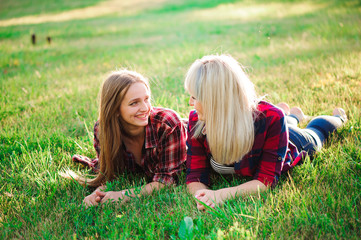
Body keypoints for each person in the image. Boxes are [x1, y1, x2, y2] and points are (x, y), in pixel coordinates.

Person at [184, 54, 347, 210]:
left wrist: (221, 195)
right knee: (286, 120)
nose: (190, 103)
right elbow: (195, 175)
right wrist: (202, 196)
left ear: (216, 100)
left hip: (291, 141)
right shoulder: (197, 121)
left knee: (316, 134)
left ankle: (338, 118)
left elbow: (265, 181)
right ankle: (293, 116)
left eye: (195, 97)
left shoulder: (271, 119)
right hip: (276, 126)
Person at [71, 70, 187, 207]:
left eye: (146, 99)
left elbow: (167, 180)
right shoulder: (103, 130)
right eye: (134, 103)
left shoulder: (167, 125)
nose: (145, 108)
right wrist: (97, 194)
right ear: (114, 109)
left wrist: (124, 195)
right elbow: (110, 174)